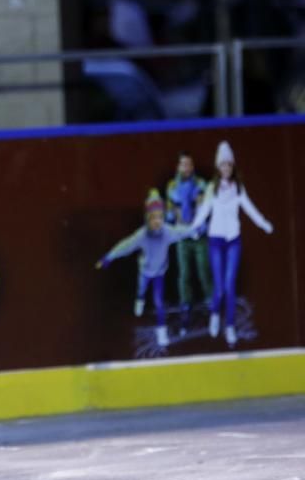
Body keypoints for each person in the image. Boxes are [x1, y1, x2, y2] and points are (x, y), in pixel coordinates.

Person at [190, 141, 274, 347]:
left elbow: (249, 208)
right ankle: (215, 315)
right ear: (218, 167)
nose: (226, 168)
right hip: (215, 241)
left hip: (233, 240)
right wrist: (193, 227)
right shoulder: (212, 188)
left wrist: (263, 223)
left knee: (230, 285)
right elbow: (203, 212)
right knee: (219, 287)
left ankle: (229, 327)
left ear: (232, 166)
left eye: (229, 165)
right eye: (222, 165)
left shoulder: (238, 188)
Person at [97, 189, 192, 347]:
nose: (157, 221)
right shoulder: (142, 235)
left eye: (160, 217)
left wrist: (196, 229)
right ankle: (139, 300)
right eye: (153, 217)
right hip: (145, 271)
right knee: (141, 289)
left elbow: (182, 231)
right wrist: (109, 257)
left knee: (159, 302)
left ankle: (161, 332)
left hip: (160, 273)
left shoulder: (168, 232)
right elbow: (125, 246)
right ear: (148, 218)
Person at [165, 151, 213, 334]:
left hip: (199, 235)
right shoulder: (172, 186)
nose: (187, 168)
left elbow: (206, 208)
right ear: (178, 166)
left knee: (204, 270)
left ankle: (211, 305)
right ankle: (186, 307)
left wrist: (198, 225)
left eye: (190, 164)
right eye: (183, 164)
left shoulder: (201, 184)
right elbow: (170, 212)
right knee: (184, 274)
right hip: (182, 236)